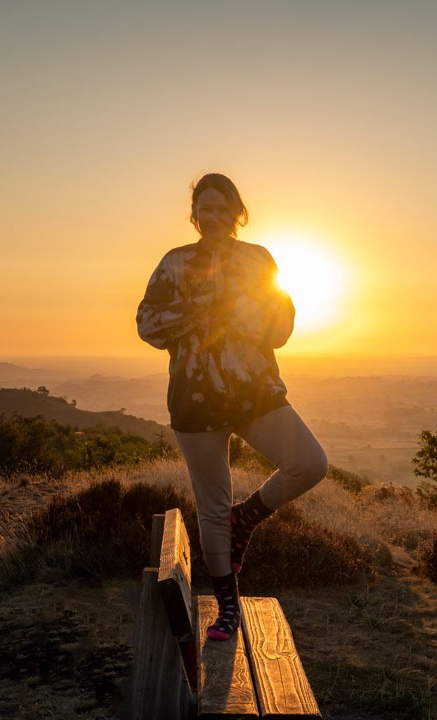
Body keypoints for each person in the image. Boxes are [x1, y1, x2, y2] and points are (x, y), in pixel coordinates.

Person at [136, 173, 328, 641]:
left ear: (237, 214)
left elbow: (280, 327)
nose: (214, 216)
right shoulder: (175, 264)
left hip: (253, 391)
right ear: (195, 214)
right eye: (206, 208)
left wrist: (254, 308)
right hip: (195, 399)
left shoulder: (258, 259)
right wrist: (198, 309)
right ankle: (227, 607)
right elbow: (147, 324)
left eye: (224, 208)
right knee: (212, 508)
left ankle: (248, 516)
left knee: (310, 463)